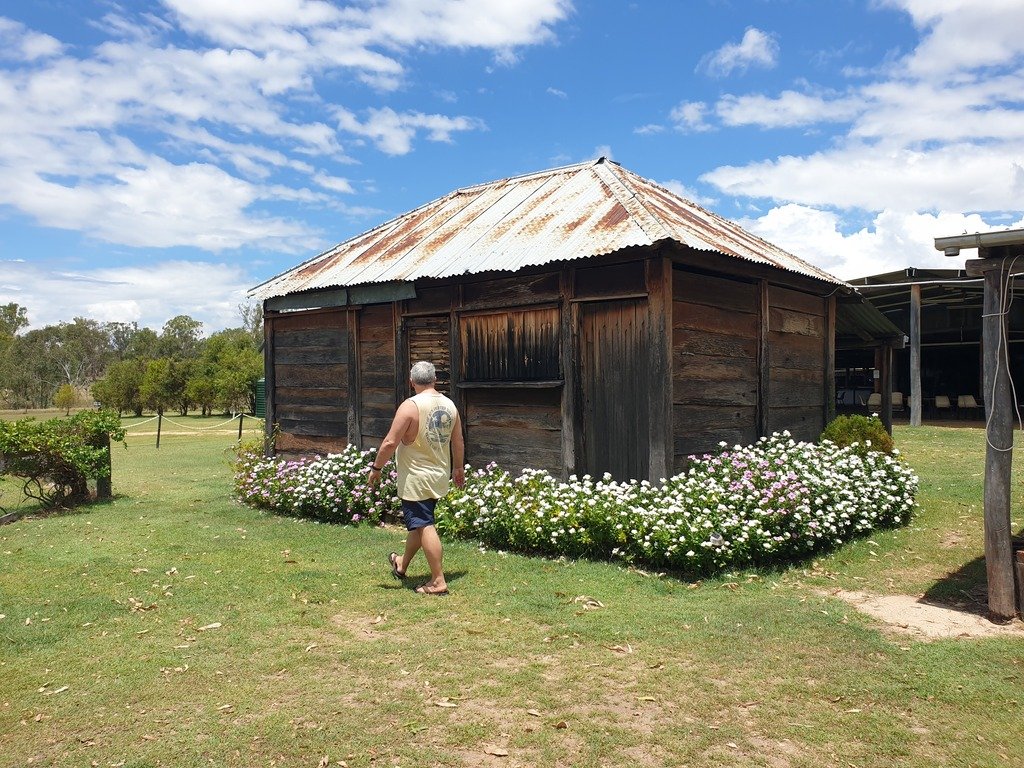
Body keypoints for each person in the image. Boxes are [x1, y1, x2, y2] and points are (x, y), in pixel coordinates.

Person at [368, 361, 464, 595]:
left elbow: (390, 442)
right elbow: (458, 441)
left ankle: (438, 581)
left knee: (424, 524)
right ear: (435, 380)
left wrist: (376, 468)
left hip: (417, 479)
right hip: (438, 475)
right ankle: (402, 564)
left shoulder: (410, 406)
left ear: (411, 382)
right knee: (419, 524)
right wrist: (458, 469)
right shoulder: (450, 405)